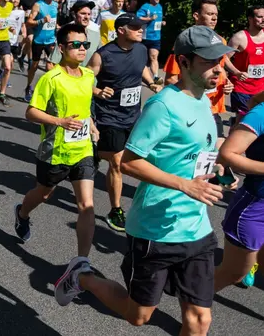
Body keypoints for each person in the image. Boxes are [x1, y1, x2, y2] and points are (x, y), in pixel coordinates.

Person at [54, 26, 234, 336]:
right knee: (138, 316)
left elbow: (199, 150)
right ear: (184, 62)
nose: (218, 68)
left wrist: (221, 168)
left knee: (199, 320)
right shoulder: (163, 106)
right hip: (156, 230)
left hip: (197, 229)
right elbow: (129, 162)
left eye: (219, 60)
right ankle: (82, 276)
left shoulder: (205, 101)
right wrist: (184, 185)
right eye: (208, 61)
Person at [14, 24, 99, 268]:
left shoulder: (89, 76)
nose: (82, 49)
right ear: (61, 48)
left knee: (87, 205)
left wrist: (92, 126)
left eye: (85, 45)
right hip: (54, 150)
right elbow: (31, 112)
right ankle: (22, 213)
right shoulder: (51, 78)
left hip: (82, 150)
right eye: (76, 45)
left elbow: (84, 109)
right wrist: (59, 121)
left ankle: (82, 260)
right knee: (44, 193)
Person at [87, 13, 162, 232]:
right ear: (121, 30)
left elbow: (141, 69)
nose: (141, 30)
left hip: (133, 115)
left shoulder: (140, 49)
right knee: (118, 163)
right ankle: (116, 210)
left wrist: (151, 83)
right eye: (135, 27)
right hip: (109, 115)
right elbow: (85, 80)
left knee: (142, 158)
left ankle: (98, 151)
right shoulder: (103, 55)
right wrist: (97, 90)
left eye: (141, 27)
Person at [164, 0, 236, 139]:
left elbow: (220, 69)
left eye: (216, 14)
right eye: (209, 14)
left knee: (218, 156)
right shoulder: (185, 44)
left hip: (213, 110)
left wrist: (227, 83)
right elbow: (170, 79)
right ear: (196, 16)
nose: (214, 18)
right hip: (191, 110)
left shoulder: (220, 41)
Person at [215, 103, 264, 290]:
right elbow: (227, 153)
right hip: (255, 207)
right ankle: (190, 300)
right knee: (233, 274)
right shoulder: (261, 113)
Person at [24, 0, 59, 102]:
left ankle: (52, 91)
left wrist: (57, 26)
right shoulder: (38, 5)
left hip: (51, 40)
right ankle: (28, 86)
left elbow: (53, 21)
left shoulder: (55, 5)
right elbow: (29, 22)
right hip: (39, 40)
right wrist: (42, 21)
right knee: (34, 66)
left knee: (53, 66)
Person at [227, 5, 264, 118]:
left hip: (261, 88)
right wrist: (236, 72)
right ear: (250, 19)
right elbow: (223, 58)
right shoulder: (240, 37)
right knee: (244, 121)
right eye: (260, 17)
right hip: (242, 88)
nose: (263, 19)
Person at [48, 0, 101, 67]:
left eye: (89, 14)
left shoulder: (95, 35)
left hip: (89, 77)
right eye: (83, 13)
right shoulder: (66, 34)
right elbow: (51, 64)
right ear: (74, 14)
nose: (86, 17)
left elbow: (101, 61)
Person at [136, 0, 164, 83]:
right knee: (142, 58)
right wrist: (149, 19)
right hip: (145, 37)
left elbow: (159, 19)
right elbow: (138, 17)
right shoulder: (145, 7)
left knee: (154, 57)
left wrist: (162, 22)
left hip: (156, 37)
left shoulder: (160, 7)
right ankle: (140, 75)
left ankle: (155, 77)